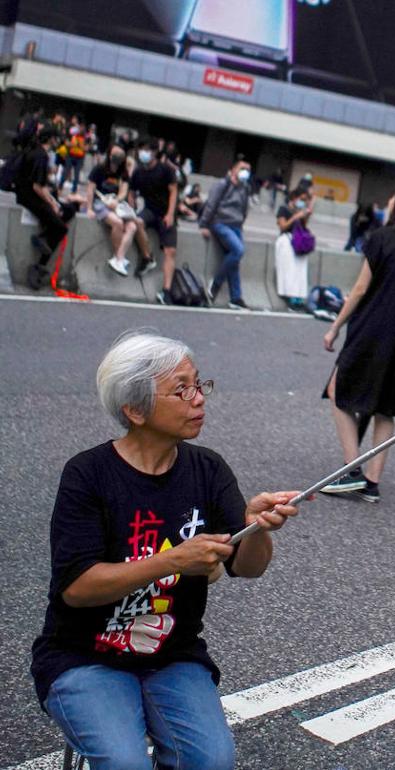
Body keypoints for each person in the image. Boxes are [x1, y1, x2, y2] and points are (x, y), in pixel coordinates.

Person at [30, 332, 302, 769]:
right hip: (83, 654)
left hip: (172, 652)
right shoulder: (88, 474)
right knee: (123, 762)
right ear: (135, 410)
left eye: (199, 385)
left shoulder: (208, 469)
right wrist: (173, 560)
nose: (198, 399)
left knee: (211, 761)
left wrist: (254, 528)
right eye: (181, 390)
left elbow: (248, 568)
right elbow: (77, 589)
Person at [319, 181, 395, 504]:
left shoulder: (382, 238)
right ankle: (372, 482)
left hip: (371, 328)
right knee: (386, 408)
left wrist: (334, 327)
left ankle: (351, 470)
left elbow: (359, 290)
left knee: (338, 390)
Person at [15, 126, 71, 289]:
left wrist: (53, 201)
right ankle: (38, 265)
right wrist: (52, 203)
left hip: (27, 194)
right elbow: (37, 187)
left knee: (67, 210)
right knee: (61, 228)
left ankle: (44, 238)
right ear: (50, 138)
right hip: (30, 197)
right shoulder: (41, 155)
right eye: (55, 138)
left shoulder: (35, 151)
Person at [128, 138, 180, 304]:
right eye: (141, 150)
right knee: (136, 222)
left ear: (154, 152)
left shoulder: (165, 170)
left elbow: (173, 191)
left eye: (146, 150)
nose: (143, 153)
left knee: (170, 251)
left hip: (166, 212)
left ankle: (166, 291)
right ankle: (147, 257)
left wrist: (171, 214)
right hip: (149, 211)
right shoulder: (138, 171)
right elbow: (131, 190)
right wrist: (131, 205)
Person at [198, 158, 254, 310]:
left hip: (236, 226)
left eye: (248, 170)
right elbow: (211, 204)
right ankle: (215, 285)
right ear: (234, 169)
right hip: (221, 223)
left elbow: (244, 208)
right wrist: (204, 224)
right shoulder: (222, 184)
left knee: (234, 260)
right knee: (238, 250)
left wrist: (241, 223)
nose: (245, 172)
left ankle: (236, 298)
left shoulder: (245, 187)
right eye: (242, 168)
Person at [86, 145, 142, 278]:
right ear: (109, 154)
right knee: (117, 223)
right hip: (101, 202)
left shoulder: (123, 173)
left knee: (132, 227)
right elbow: (90, 189)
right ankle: (119, 258)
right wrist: (89, 208)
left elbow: (123, 191)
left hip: (116, 203)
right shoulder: (99, 169)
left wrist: (116, 200)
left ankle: (118, 259)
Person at [274, 187, 315, 311]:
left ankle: (298, 298)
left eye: (305, 200)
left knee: (300, 271)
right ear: (294, 197)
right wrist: (295, 217)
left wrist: (306, 215)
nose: (303, 202)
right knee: (289, 270)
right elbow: (282, 226)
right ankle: (289, 297)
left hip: (298, 243)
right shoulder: (283, 209)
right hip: (286, 241)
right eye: (301, 199)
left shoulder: (300, 210)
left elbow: (303, 227)